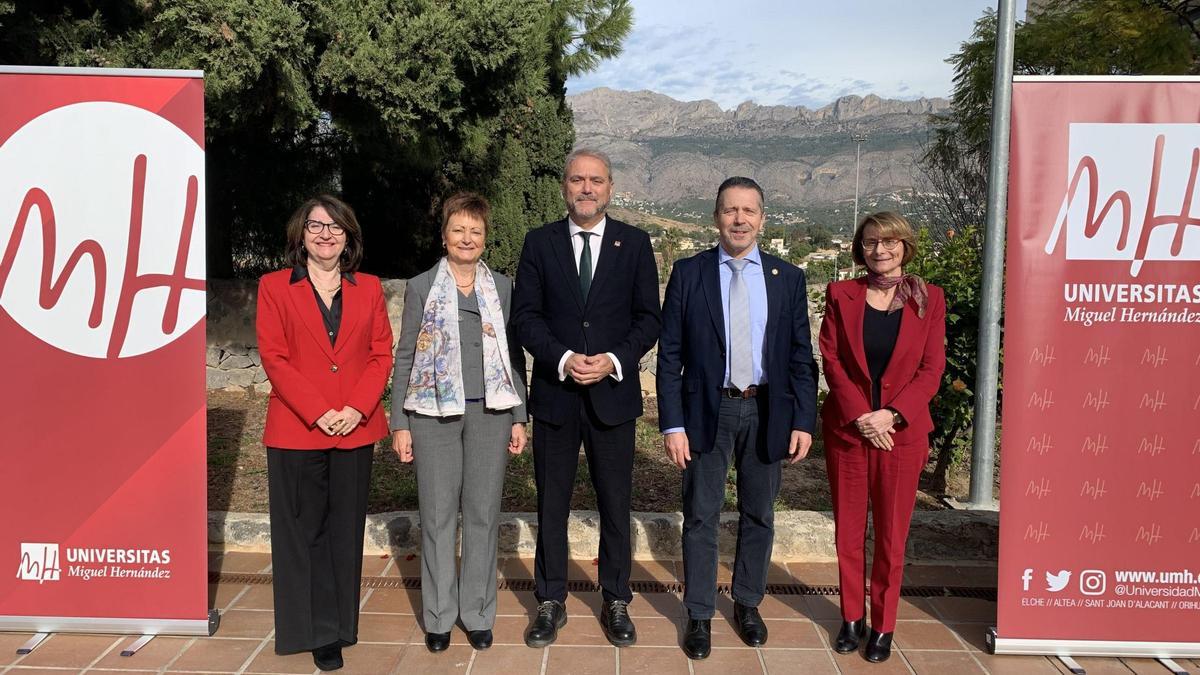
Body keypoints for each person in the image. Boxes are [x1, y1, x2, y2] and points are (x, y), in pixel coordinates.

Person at [657, 177, 818, 660]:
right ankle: (701, 613)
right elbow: (670, 355)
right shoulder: (689, 273)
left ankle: (748, 603)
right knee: (701, 514)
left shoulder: (788, 278)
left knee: (759, 514)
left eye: (749, 210)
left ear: (762, 219)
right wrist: (673, 424)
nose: (740, 219)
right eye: (730, 210)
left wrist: (804, 420)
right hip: (710, 409)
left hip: (768, 408)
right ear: (716, 218)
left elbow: (799, 357)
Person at [511, 148, 661, 648]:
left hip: (613, 396)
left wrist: (614, 360)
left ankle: (616, 598)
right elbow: (526, 317)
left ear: (610, 188)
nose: (587, 188)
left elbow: (649, 319)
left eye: (596, 180)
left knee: (616, 504)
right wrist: (563, 358)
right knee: (551, 503)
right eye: (578, 179)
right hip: (556, 394)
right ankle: (550, 600)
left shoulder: (635, 244)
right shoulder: (539, 243)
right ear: (564, 187)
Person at [256, 195, 394, 672]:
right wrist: (320, 411)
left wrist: (356, 408)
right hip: (298, 429)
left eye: (336, 227)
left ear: (349, 237)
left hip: (355, 429)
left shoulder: (370, 288)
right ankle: (311, 631)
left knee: (344, 531)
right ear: (301, 234)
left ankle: (339, 626)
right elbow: (274, 357)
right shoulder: (274, 287)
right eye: (316, 226)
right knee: (302, 531)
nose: (326, 234)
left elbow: (381, 354)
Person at [389, 192, 528, 653]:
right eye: (458, 230)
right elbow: (406, 354)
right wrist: (400, 422)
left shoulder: (502, 288)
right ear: (444, 235)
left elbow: (513, 358)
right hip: (432, 416)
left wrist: (518, 416)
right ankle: (439, 617)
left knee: (485, 516)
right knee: (437, 518)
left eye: (476, 231)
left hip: (491, 414)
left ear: (485, 238)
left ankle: (478, 613)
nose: (467, 238)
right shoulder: (421, 286)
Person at [819, 211, 946, 663]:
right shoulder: (841, 294)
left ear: (904, 246)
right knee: (848, 534)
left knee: (892, 536)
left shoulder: (928, 299)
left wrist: (891, 415)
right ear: (861, 248)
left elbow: (932, 370)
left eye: (890, 242)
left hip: (902, 435)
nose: (880, 250)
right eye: (871, 242)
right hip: (850, 434)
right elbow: (831, 359)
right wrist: (862, 417)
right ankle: (851, 616)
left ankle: (883, 624)